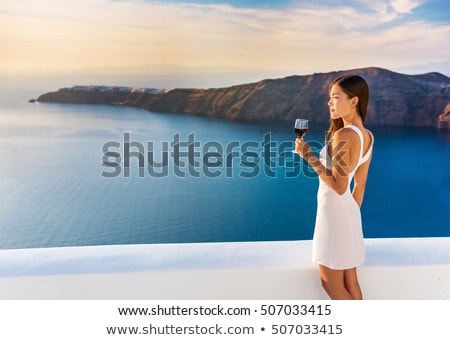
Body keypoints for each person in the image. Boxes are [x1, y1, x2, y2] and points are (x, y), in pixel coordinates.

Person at [295, 75, 374, 300]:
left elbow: (339, 186)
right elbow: (360, 183)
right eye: (329, 98)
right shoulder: (367, 135)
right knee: (351, 282)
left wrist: (309, 156)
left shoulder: (345, 134)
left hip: (334, 215)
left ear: (354, 101)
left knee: (332, 286)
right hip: (348, 213)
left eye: (335, 97)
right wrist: (351, 215)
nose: (329, 103)